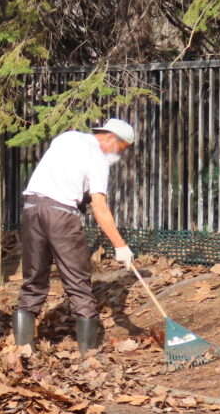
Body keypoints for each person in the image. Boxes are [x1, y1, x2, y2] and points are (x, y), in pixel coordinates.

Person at [12, 118, 137, 354]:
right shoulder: (99, 157)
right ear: (112, 138)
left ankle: (21, 351)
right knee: (78, 282)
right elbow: (100, 205)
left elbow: (63, 176)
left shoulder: (66, 138)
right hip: (61, 216)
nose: (118, 155)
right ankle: (88, 356)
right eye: (122, 149)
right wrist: (120, 245)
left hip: (31, 210)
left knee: (33, 280)